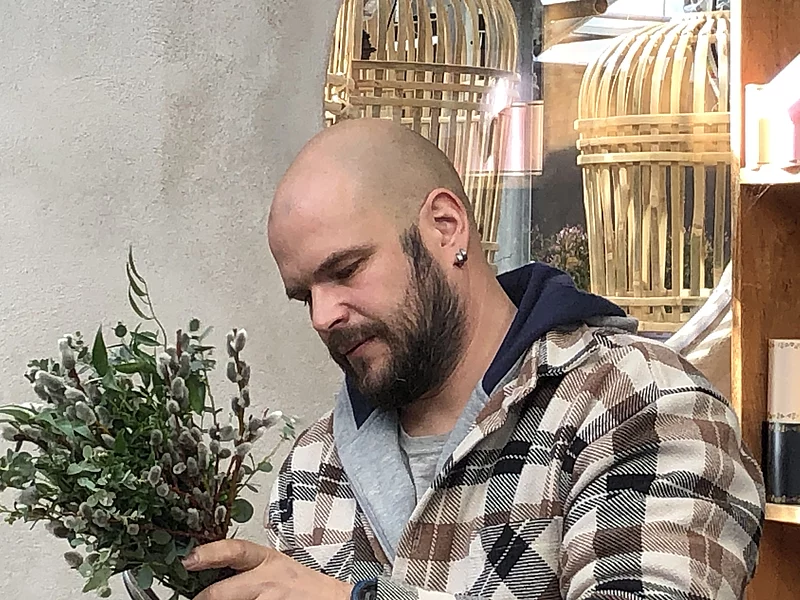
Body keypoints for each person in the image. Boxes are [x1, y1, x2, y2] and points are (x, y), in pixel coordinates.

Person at [181, 119, 765, 600]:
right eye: (304, 295)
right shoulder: (314, 465)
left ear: (445, 227)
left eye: (346, 270)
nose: (322, 315)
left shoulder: (637, 404)